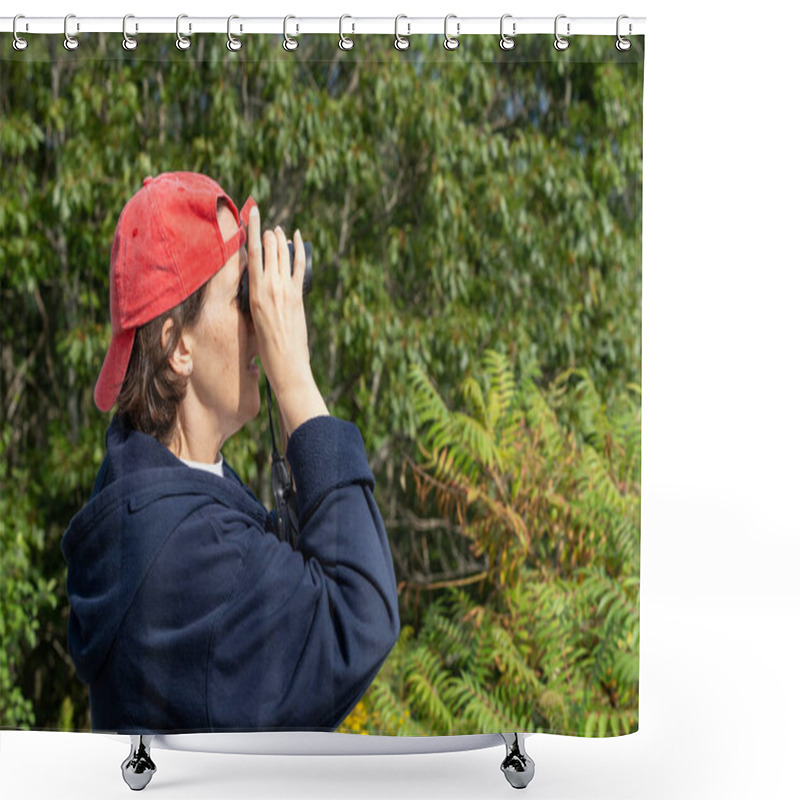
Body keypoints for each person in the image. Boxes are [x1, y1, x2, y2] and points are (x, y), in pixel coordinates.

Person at [61, 172, 400, 734]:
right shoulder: (187, 551)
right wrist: (294, 379)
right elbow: (360, 616)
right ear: (177, 347)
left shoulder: (155, 497)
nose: (263, 319)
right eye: (243, 296)